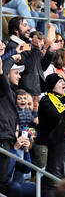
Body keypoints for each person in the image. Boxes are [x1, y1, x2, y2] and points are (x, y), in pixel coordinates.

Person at [0, 57, 19, 194]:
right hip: (2, 137)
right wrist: (11, 57)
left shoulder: (11, 93)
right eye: (16, 73)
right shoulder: (3, 89)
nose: (20, 76)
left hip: (7, 138)